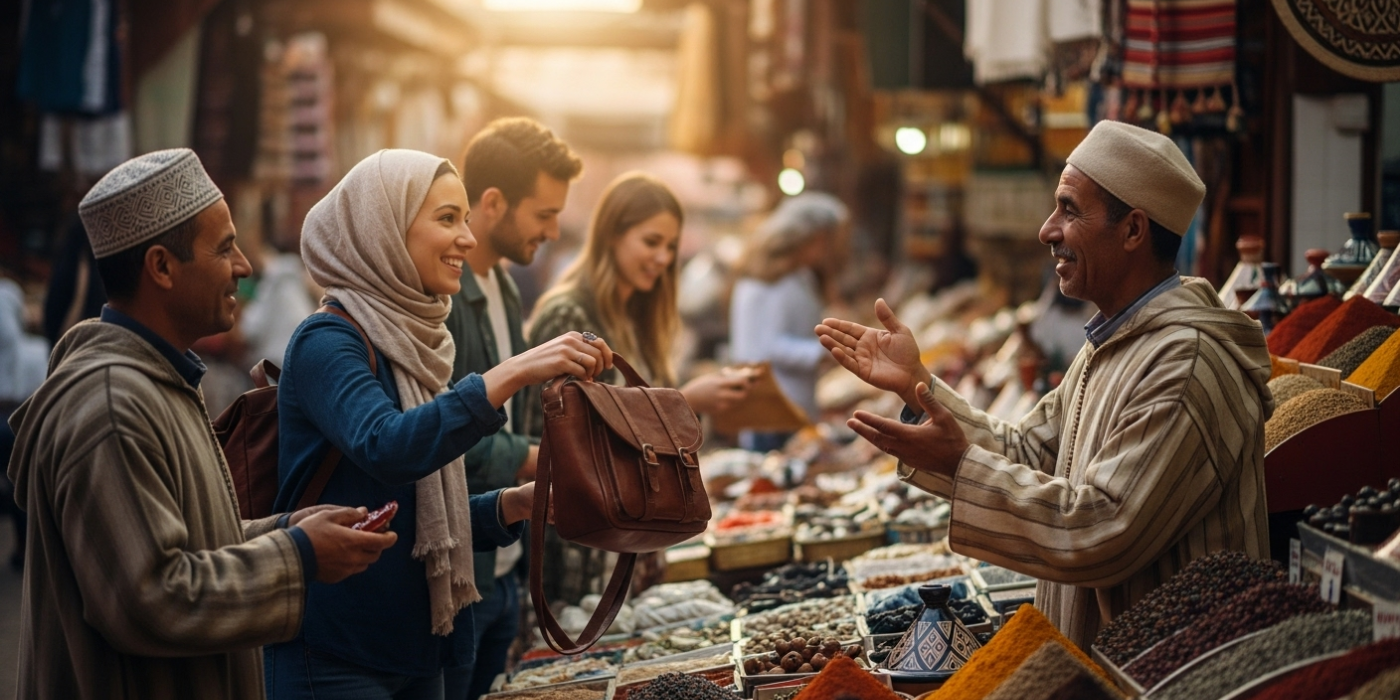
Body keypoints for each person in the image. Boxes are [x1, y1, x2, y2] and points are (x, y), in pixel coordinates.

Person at [816, 120, 1271, 650]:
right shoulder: (1118, 340)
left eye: (1069, 210)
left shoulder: (1183, 363)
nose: (1047, 231)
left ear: (1133, 231)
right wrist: (918, 384)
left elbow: (1102, 529)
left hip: (1168, 671)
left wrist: (960, 464)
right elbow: (1030, 451)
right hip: (1110, 665)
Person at [6, 148, 397, 700]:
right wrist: (298, 555)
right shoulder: (113, 406)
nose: (244, 266)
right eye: (224, 248)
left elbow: (191, 546)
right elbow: (152, 598)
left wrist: (288, 528)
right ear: (162, 267)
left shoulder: (154, 382)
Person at [264, 149, 612, 700]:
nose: (467, 239)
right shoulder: (326, 341)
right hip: (337, 656)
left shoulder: (416, 344)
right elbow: (388, 447)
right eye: (447, 218)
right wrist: (514, 372)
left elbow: (414, 519)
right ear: (383, 229)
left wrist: (516, 504)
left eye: (466, 220)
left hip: (417, 649)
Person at [523, 172, 751, 604]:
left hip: (634, 537)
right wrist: (686, 402)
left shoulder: (638, 314)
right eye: (651, 242)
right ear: (612, 235)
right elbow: (557, 442)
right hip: (585, 552)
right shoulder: (569, 316)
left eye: (671, 245)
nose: (663, 257)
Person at [442, 118, 583, 700]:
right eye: (543, 214)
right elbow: (441, 436)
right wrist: (534, 455)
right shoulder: (445, 301)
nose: (553, 231)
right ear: (494, 203)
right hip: (461, 575)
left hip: (504, 569)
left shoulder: (502, 286)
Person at [730, 192, 848, 451]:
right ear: (814, 237)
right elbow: (765, 347)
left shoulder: (798, 275)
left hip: (792, 403)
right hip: (773, 410)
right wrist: (823, 353)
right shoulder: (768, 280)